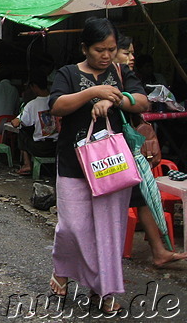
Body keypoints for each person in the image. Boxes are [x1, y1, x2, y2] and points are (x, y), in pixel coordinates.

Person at [48, 17, 149, 314]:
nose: (105, 55)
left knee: (109, 231)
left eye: (110, 49)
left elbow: (142, 102)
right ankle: (64, 267)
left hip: (112, 164)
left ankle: (104, 290)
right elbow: (56, 106)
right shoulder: (67, 73)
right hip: (73, 162)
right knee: (72, 227)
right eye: (98, 49)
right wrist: (93, 93)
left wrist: (116, 99)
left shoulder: (121, 72)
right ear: (84, 48)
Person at [114, 35, 187, 267]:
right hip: (111, 151)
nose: (132, 58)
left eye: (132, 53)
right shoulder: (103, 77)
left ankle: (158, 250)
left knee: (143, 196)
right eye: (127, 53)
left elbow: (141, 103)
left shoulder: (128, 78)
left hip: (128, 149)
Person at [10, 69, 58, 176]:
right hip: (57, 146)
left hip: (41, 148)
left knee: (23, 133)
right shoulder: (57, 100)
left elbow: (17, 123)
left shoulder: (32, 104)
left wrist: (16, 119)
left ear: (34, 87)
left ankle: (27, 164)